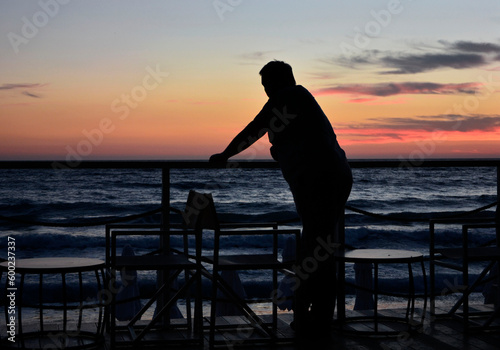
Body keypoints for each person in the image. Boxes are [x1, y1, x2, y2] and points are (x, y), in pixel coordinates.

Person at [209, 60, 352, 338]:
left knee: (316, 251)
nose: (266, 93)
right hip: (330, 177)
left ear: (279, 82)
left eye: (267, 86)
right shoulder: (298, 100)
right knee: (317, 249)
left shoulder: (289, 95)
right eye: (264, 88)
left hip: (321, 181)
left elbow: (255, 129)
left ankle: (315, 319)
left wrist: (225, 155)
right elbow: (291, 137)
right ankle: (313, 316)